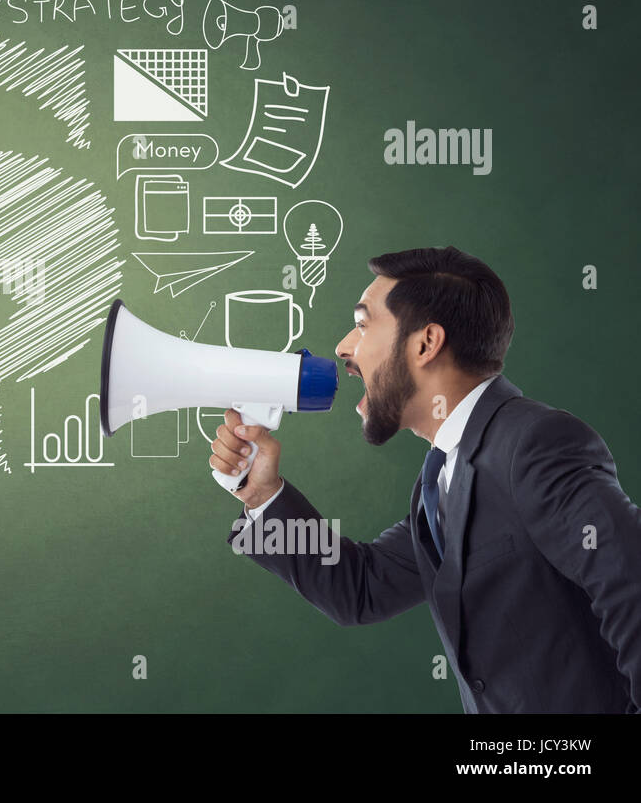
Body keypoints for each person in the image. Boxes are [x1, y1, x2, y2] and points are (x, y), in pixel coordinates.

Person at [211, 246, 641, 712]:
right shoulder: (440, 479)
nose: (343, 349)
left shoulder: (535, 443)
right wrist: (262, 495)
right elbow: (362, 588)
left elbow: (631, 582)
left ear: (425, 343)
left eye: (362, 323)